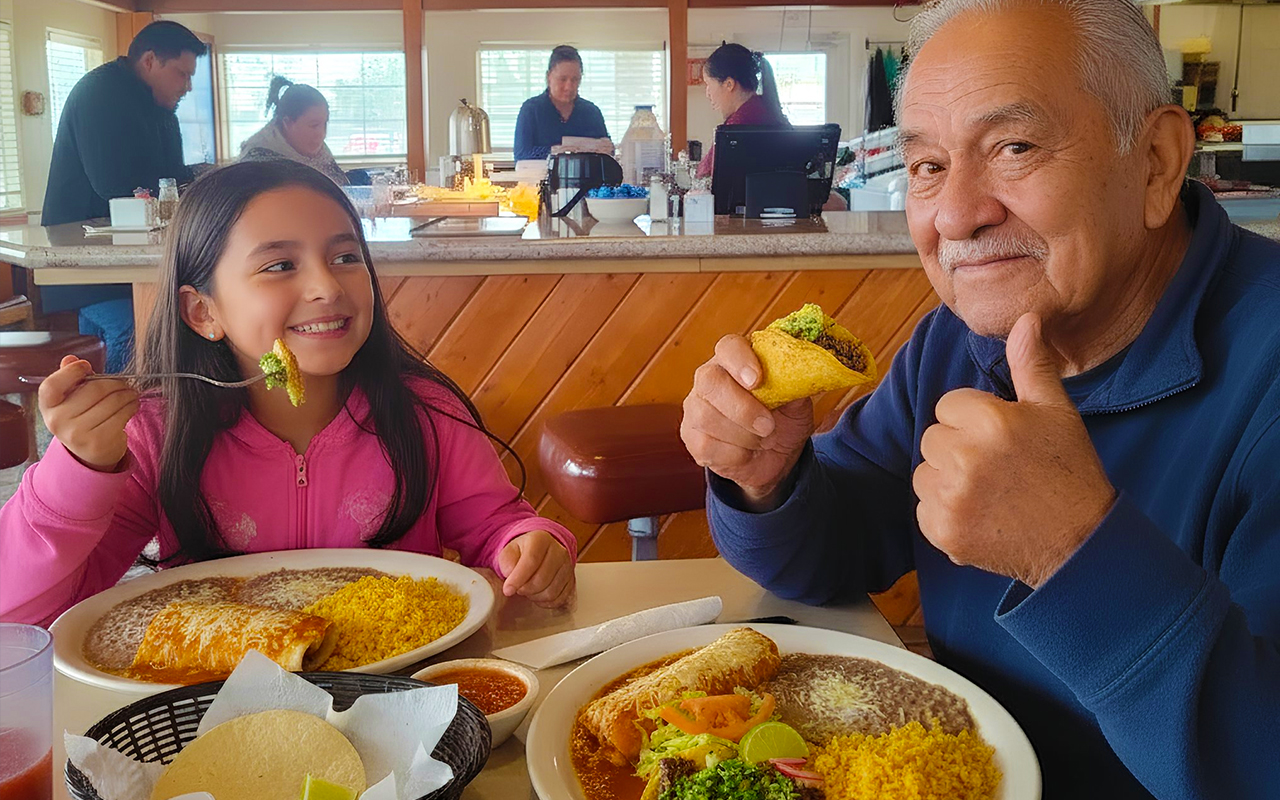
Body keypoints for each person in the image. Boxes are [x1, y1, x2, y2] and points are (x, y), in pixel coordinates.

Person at [679, 0, 1280, 797]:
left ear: (1159, 162)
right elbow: (828, 553)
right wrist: (769, 478)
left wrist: (1073, 553)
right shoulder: (956, 343)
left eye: (1015, 146)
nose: (956, 215)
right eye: (927, 166)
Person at [0, 160, 577, 628]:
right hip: (214, 706)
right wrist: (77, 469)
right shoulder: (155, 434)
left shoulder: (425, 412)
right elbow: (25, 618)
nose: (327, 286)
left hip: (402, 692)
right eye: (279, 265)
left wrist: (528, 544)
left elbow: (494, 525)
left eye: (346, 257)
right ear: (203, 312)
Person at [41, 20, 207, 374]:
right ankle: (127, 425)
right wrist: (190, 179)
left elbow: (172, 178)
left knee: (116, 338)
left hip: (123, 260)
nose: (188, 87)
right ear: (149, 61)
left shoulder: (161, 109)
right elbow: (116, 184)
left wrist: (197, 176)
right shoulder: (100, 93)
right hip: (87, 263)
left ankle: (108, 411)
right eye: (182, 74)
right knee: (138, 332)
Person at [695, 43, 789, 179]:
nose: (707, 94)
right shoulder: (766, 111)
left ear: (729, 84)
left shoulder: (738, 127)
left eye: (709, 84)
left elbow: (705, 177)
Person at [239, 76, 349, 186]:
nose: (322, 134)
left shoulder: (317, 149)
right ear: (287, 122)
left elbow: (343, 188)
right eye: (314, 125)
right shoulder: (258, 160)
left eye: (324, 124)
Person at [513, 46, 611, 161]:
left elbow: (607, 157)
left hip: (586, 178)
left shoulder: (592, 112)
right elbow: (522, 154)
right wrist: (557, 151)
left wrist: (608, 148)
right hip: (540, 178)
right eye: (563, 79)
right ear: (549, 77)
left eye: (575, 80)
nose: (568, 87)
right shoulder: (531, 110)